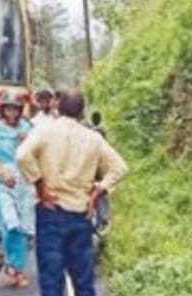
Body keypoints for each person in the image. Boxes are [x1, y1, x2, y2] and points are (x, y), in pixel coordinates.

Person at [16, 89, 128, 296]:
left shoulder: (44, 131)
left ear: (57, 107)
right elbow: (119, 167)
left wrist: (39, 185)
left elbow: (22, 156)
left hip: (50, 210)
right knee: (83, 280)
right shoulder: (93, 138)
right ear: (82, 113)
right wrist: (97, 193)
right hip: (81, 212)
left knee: (51, 280)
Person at [0, 90, 36, 288]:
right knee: (10, 222)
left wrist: (26, 140)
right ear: (2, 110)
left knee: (22, 227)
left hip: (24, 181)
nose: (12, 113)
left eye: (15, 109)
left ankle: (15, 268)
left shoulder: (28, 128)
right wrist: (3, 174)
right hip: (3, 181)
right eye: (8, 109)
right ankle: (11, 265)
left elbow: (37, 151)